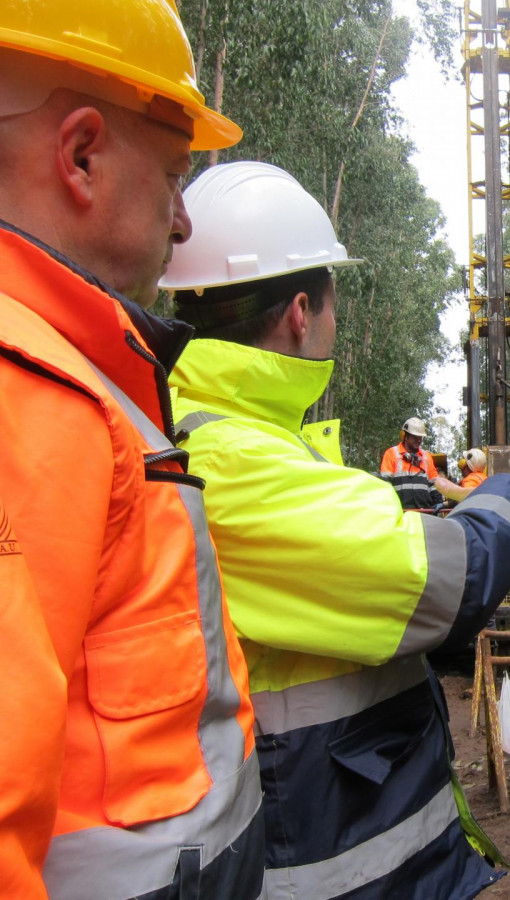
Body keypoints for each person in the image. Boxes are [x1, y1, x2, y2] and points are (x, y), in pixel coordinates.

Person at [161, 161, 510, 899]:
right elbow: (452, 582)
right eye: (335, 301)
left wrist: (386, 499)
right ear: (301, 312)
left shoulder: (241, 437)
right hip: (332, 857)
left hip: (355, 832)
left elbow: (325, 522)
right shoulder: (225, 462)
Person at [0, 7, 266, 898]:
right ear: (80, 157)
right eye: (175, 176)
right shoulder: (26, 392)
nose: (184, 223)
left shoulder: (80, 377)